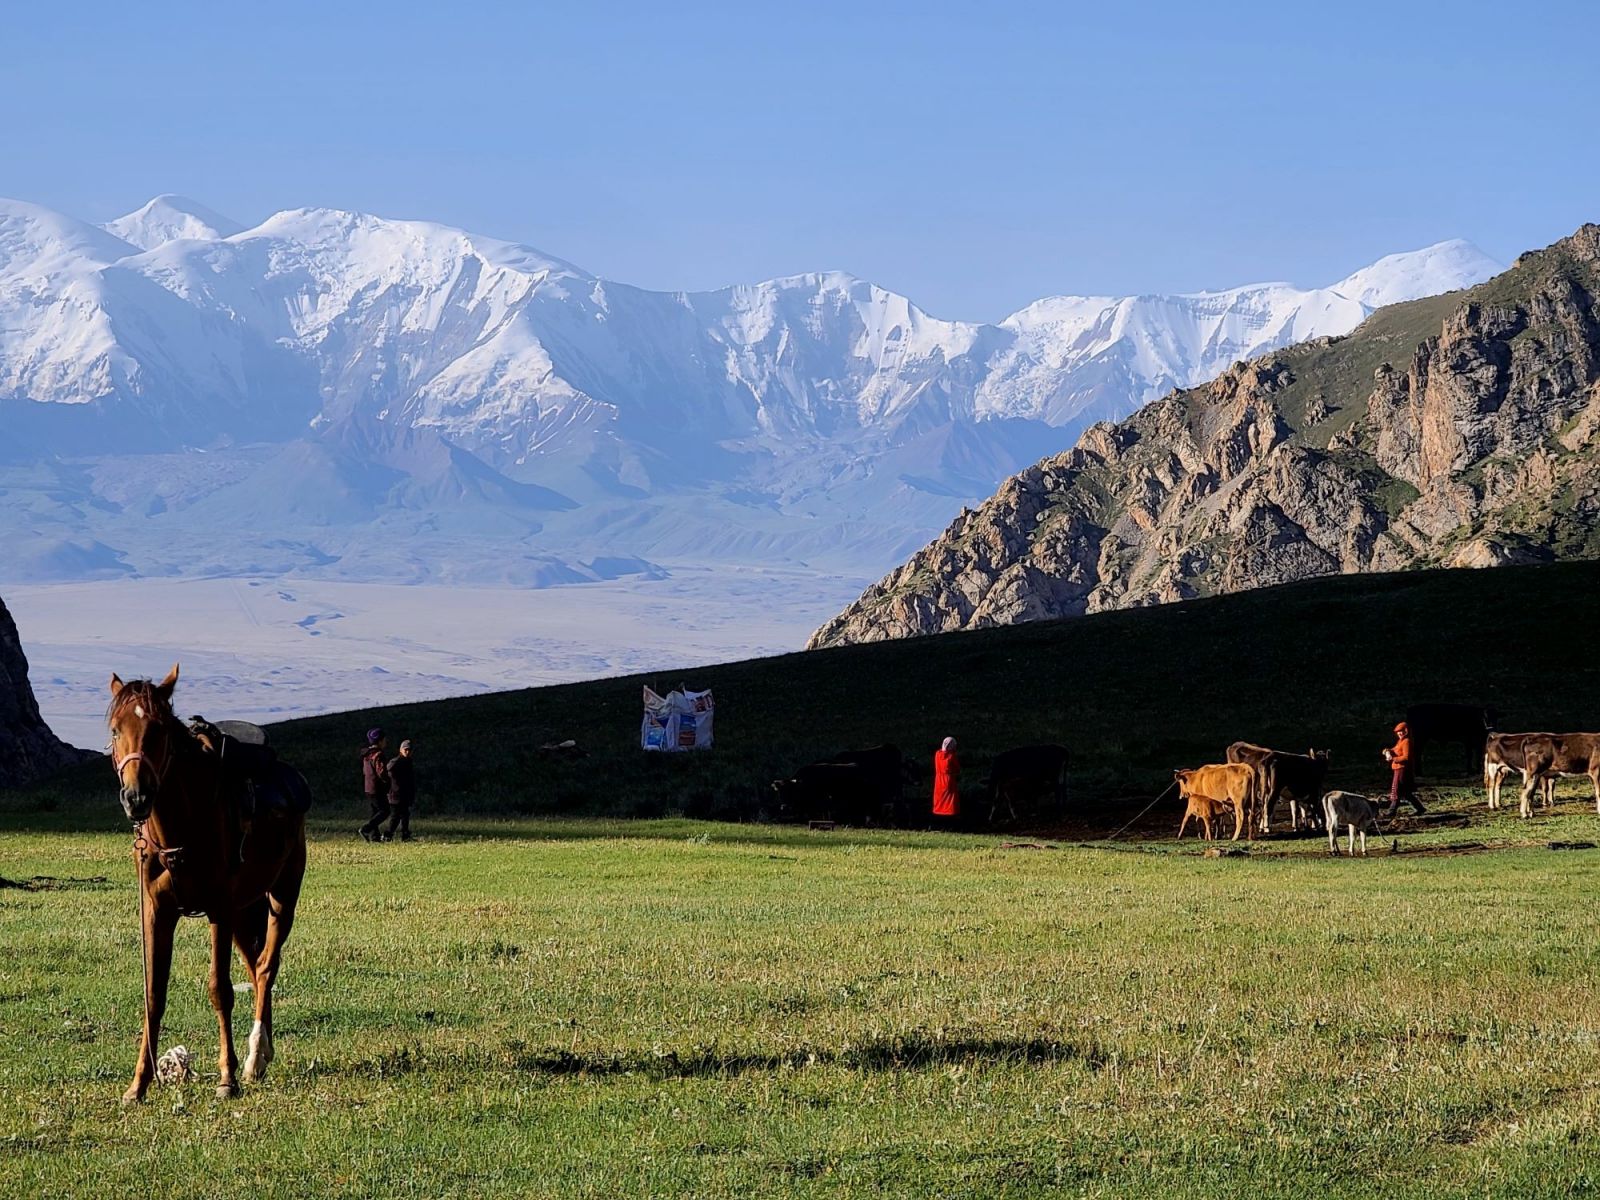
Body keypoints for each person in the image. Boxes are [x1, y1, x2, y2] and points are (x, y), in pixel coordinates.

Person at [1382, 720, 1425, 818]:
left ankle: (1391, 811)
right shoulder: (1400, 741)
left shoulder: (1406, 742)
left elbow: (1406, 757)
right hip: (1399, 769)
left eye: (1401, 731)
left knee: (1396, 790)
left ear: (1406, 731)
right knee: (1405, 792)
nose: (1399, 733)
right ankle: (1420, 808)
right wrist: (1386, 751)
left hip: (1402, 769)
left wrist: (1393, 758)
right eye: (1398, 732)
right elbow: (1393, 749)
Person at [357, 727, 391, 842]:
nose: (386, 741)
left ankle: (375, 837)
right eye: (384, 739)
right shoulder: (378, 755)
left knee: (375, 812)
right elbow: (381, 772)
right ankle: (366, 829)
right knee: (385, 811)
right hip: (377, 788)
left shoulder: (366, 755)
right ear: (380, 741)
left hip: (368, 787)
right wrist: (388, 781)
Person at [384, 739, 417, 842]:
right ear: (401, 750)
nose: (408, 752)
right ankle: (388, 835)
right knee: (396, 816)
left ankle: (405, 835)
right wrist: (393, 781)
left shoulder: (408, 762)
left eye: (409, 750)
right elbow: (388, 769)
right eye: (406, 749)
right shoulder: (396, 761)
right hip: (395, 794)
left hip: (403, 793)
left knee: (405, 815)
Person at [932, 736, 961, 828]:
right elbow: (957, 769)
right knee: (950, 802)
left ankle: (937, 821)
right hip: (949, 781)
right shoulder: (952, 756)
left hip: (938, 781)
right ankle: (950, 823)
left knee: (939, 801)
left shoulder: (937, 754)